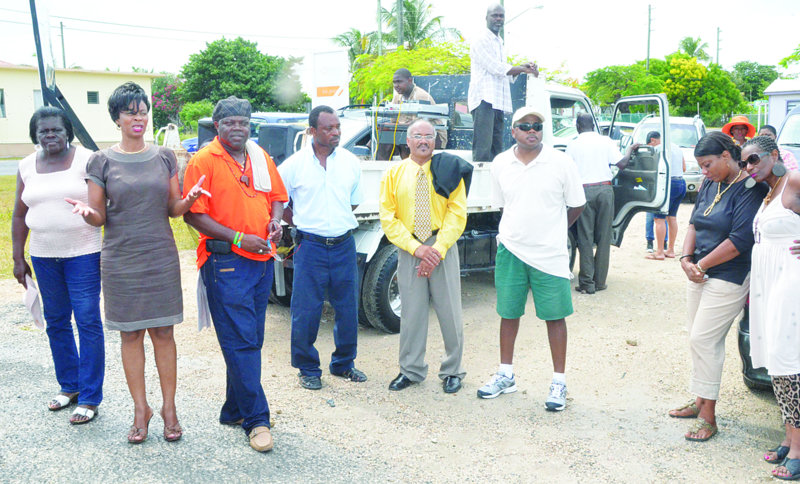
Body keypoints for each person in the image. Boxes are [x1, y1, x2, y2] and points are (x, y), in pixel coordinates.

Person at [68, 82, 206, 443]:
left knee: (164, 333)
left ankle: (169, 409)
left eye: (143, 110)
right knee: (130, 335)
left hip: (159, 258)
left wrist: (189, 199)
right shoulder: (101, 161)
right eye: (131, 111)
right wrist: (87, 213)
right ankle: (140, 409)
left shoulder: (164, 156)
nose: (139, 117)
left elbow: (173, 210)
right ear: (117, 118)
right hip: (121, 260)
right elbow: (98, 215)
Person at [183, 96, 288, 453]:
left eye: (243, 122)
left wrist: (274, 221)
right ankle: (256, 419)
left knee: (250, 339)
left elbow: (276, 195)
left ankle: (233, 410)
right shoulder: (203, 161)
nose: (238, 128)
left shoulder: (259, 156)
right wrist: (240, 237)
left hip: (260, 260)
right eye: (230, 123)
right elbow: (193, 215)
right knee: (242, 341)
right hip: (226, 263)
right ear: (217, 127)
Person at [478, 107, 585, 411]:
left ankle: (559, 382)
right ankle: (505, 375)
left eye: (538, 126)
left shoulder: (561, 162)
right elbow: (502, 206)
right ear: (513, 131)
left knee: (555, 316)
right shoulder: (500, 163)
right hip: (511, 250)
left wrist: (554, 230)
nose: (532, 130)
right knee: (508, 314)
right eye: (525, 126)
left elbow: (577, 205)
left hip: (549, 255)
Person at [668, 131, 766, 442]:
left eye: (708, 164)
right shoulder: (712, 182)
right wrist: (685, 257)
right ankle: (699, 400)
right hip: (700, 270)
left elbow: (739, 241)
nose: (704, 172)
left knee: (704, 339)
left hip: (730, 274)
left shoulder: (750, 189)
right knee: (696, 337)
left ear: (727, 156)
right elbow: (695, 222)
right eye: (701, 166)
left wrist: (701, 265)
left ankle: (708, 417)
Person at [12, 106, 104, 425]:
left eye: (56, 129)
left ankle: (91, 397)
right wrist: (18, 256)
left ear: (68, 132)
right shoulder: (26, 165)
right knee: (57, 321)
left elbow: (103, 202)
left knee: (88, 320)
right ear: (35, 135)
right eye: (43, 131)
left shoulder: (88, 159)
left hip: (84, 252)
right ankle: (71, 386)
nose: (50, 135)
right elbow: (19, 215)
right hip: (43, 255)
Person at [278, 105, 366, 390]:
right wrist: (303, 221)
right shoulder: (293, 166)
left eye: (337, 127)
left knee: (347, 307)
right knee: (306, 309)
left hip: (343, 244)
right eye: (328, 128)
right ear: (312, 131)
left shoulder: (351, 162)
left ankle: (343, 364)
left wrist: (334, 221)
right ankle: (307, 368)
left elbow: (353, 201)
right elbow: (279, 203)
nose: (335, 132)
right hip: (310, 247)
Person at [379, 119, 468, 394]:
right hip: (410, 249)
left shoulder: (448, 170)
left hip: (442, 245)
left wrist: (437, 249)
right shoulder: (393, 174)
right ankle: (411, 370)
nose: (423, 141)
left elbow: (457, 212)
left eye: (429, 136)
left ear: (435, 140)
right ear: (408, 141)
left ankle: (453, 370)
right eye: (417, 136)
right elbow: (388, 217)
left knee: (450, 312)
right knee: (412, 313)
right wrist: (416, 249)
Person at [741, 136, 800, 479]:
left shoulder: (793, 178)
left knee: (790, 360)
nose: (749, 167)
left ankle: (798, 449)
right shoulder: (768, 192)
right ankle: (790, 437)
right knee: (778, 363)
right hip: (769, 280)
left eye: (754, 159)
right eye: (745, 162)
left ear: (774, 155)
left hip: (791, 278)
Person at [566, 113, 639, 294]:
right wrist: (630, 149)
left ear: (577, 125)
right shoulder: (606, 141)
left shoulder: (572, 144)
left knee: (585, 237)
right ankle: (599, 282)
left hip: (583, 191)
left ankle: (586, 283)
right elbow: (621, 164)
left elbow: (567, 171)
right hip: (605, 190)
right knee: (604, 237)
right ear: (594, 125)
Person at [468, 3, 537, 162]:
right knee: (483, 150)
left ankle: (494, 183)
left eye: (501, 16)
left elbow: (504, 74)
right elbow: (496, 68)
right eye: (495, 15)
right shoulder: (480, 40)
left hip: (498, 101)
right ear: (486, 18)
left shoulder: (499, 41)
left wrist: (522, 68)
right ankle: (481, 185)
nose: (498, 19)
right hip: (484, 99)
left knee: (497, 150)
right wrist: (521, 68)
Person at [376, 68, 447, 160]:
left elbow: (417, 126)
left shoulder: (420, 96)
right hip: (410, 134)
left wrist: (391, 125)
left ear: (410, 80)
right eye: (394, 82)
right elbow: (394, 120)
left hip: (433, 137)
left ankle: (410, 170)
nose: (396, 85)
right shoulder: (398, 97)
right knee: (384, 139)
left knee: (409, 137)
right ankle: (383, 170)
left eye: (399, 82)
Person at [643, 131, 687, 260]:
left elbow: (650, 168)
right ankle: (671, 250)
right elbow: (684, 168)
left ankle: (660, 251)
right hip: (681, 183)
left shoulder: (658, 149)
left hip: (668, 184)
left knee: (659, 218)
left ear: (653, 140)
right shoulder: (677, 147)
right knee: (672, 218)